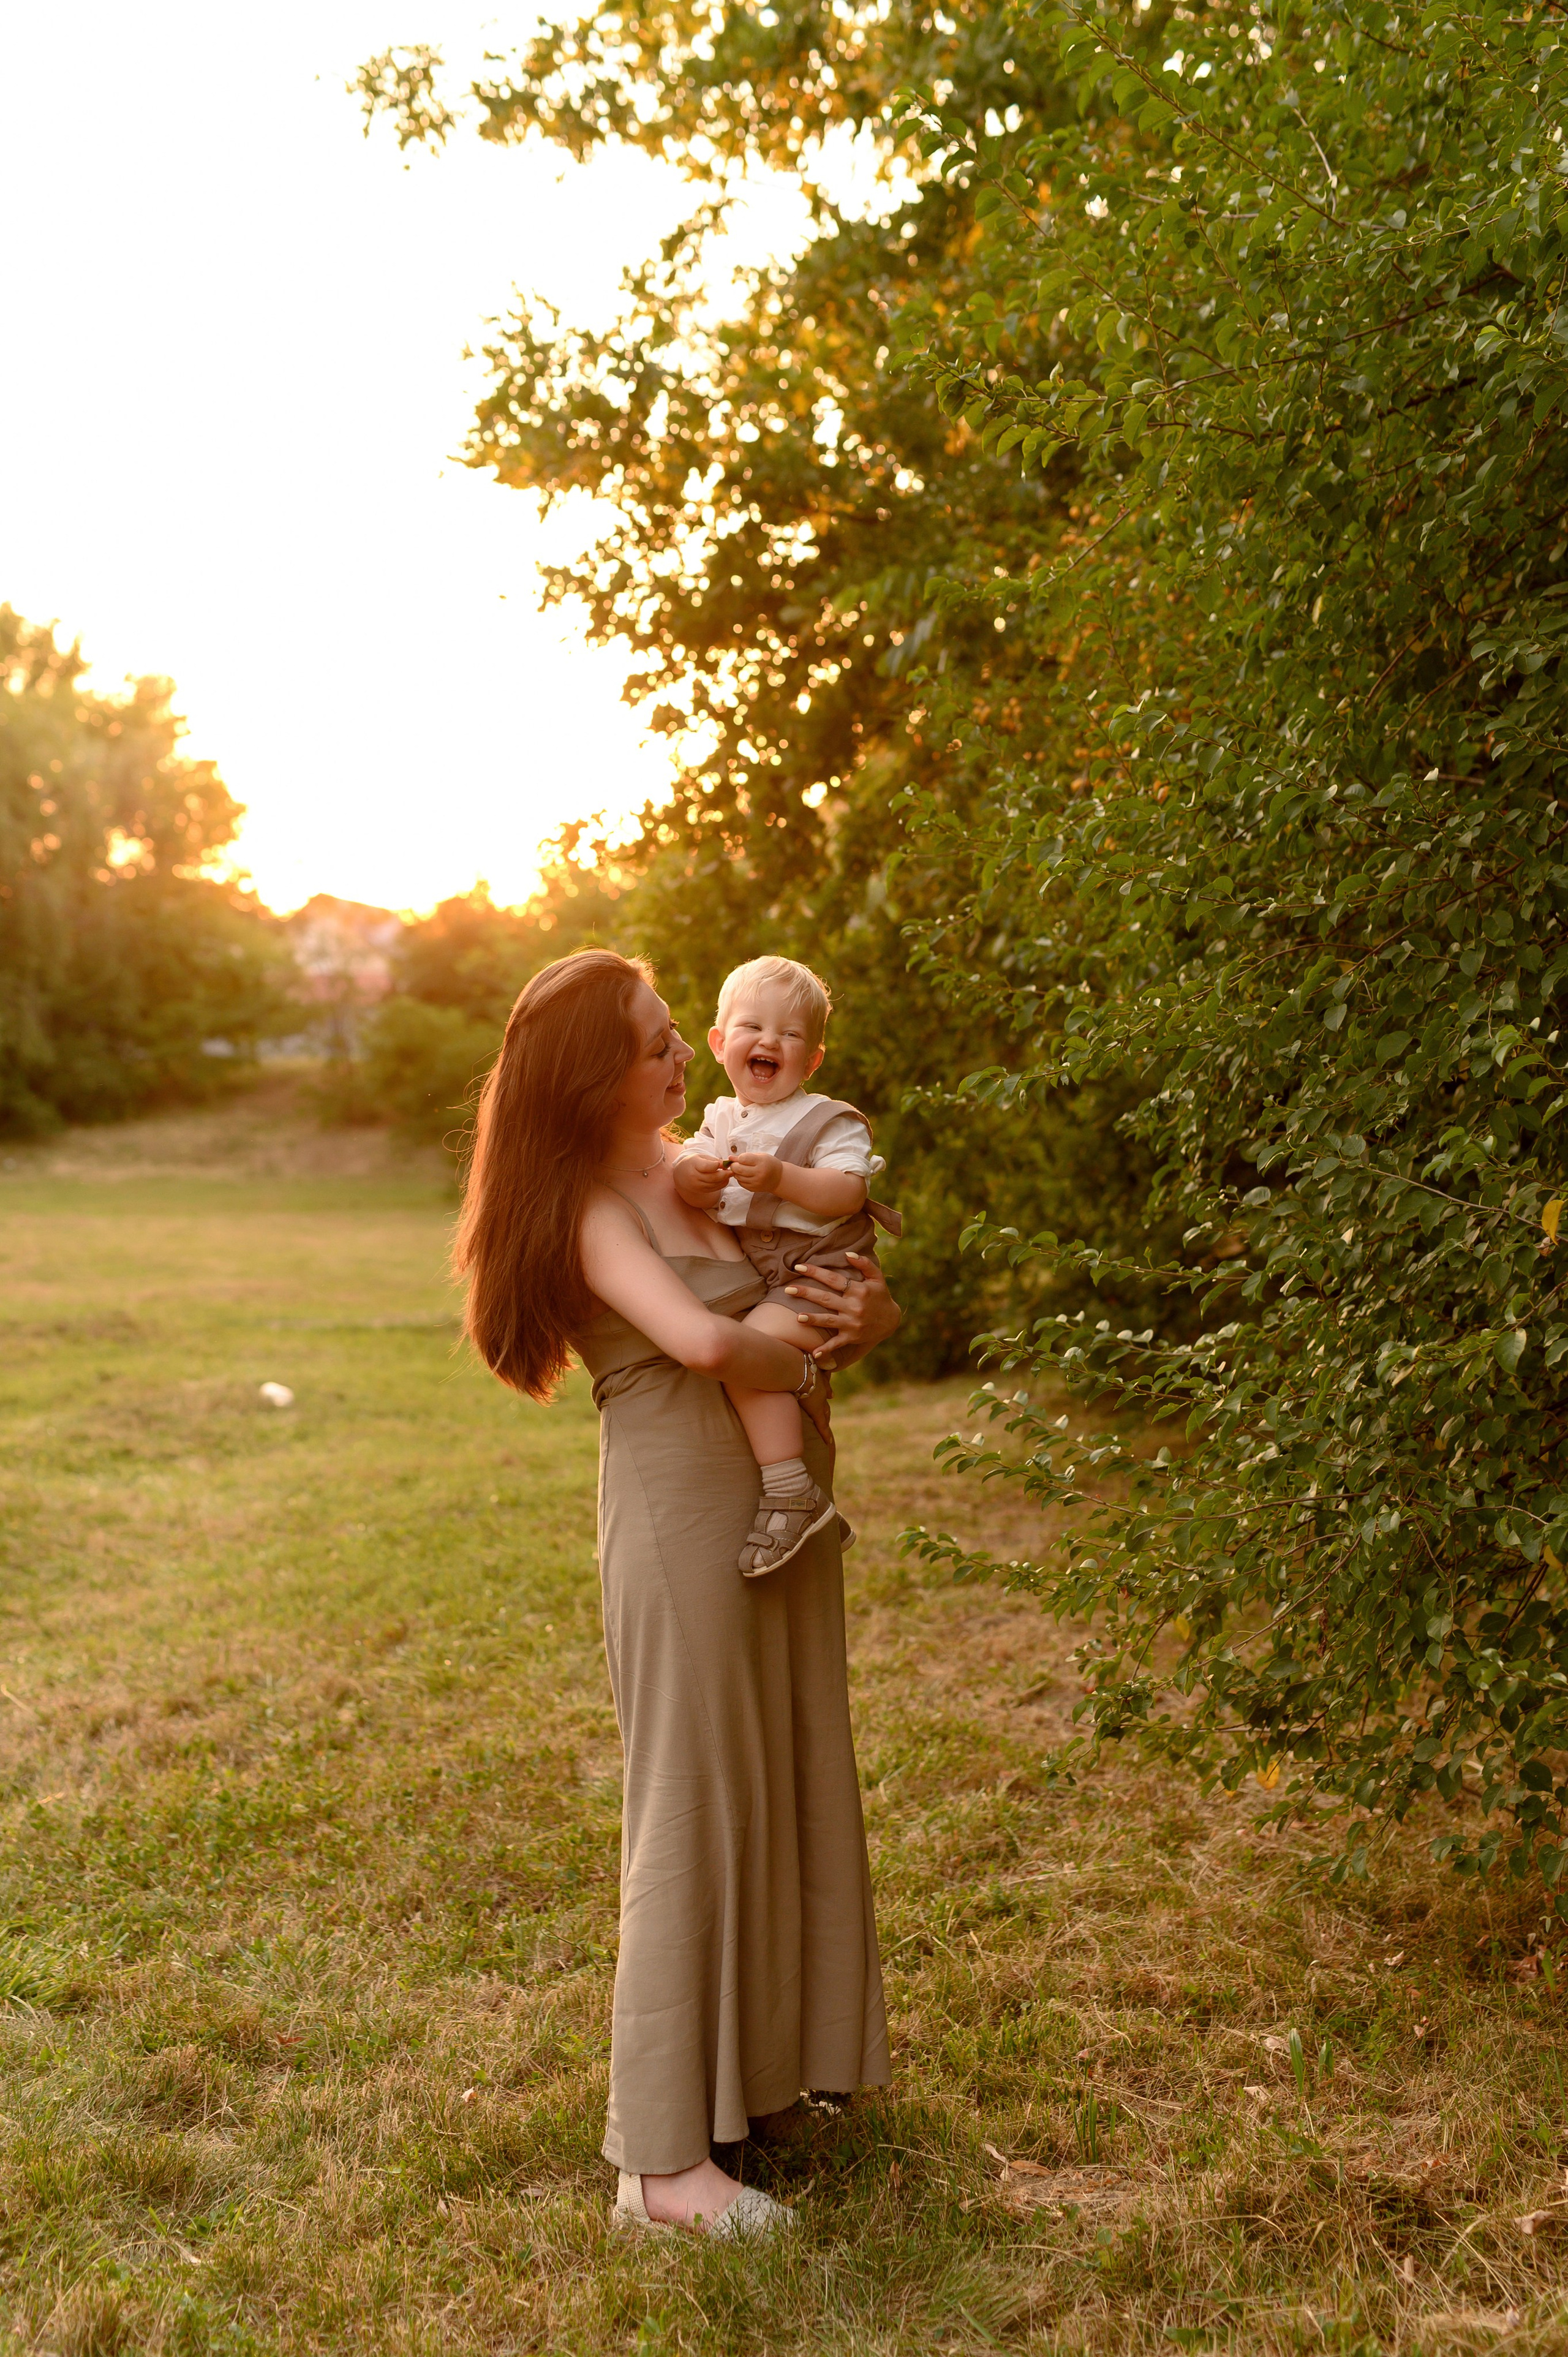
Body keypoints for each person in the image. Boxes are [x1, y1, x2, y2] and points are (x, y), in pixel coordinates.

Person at [453, 948, 900, 2237]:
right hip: (680, 1506)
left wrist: (862, 1322)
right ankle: (657, 2171)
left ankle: (758, 2081)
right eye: (657, 1040)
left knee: (787, 1766)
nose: (683, 1055)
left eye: (674, 1035)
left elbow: (825, 1287)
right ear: (597, 1071)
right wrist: (813, 1346)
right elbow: (706, 1343)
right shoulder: (592, 1201)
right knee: (695, 1796)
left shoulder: (706, 1158)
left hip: (775, 1494)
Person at [673, 956, 902, 1577]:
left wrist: (782, 1176)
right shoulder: (720, 1119)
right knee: (759, 1361)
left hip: (823, 1269)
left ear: (812, 1059)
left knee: (749, 1354)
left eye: (790, 1033)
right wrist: (690, 1175)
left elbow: (847, 1193)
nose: (769, 1040)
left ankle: (789, 1489)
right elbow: (687, 1175)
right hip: (774, 1275)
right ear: (720, 1043)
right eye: (752, 1025)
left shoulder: (827, 1118)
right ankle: (811, 1496)